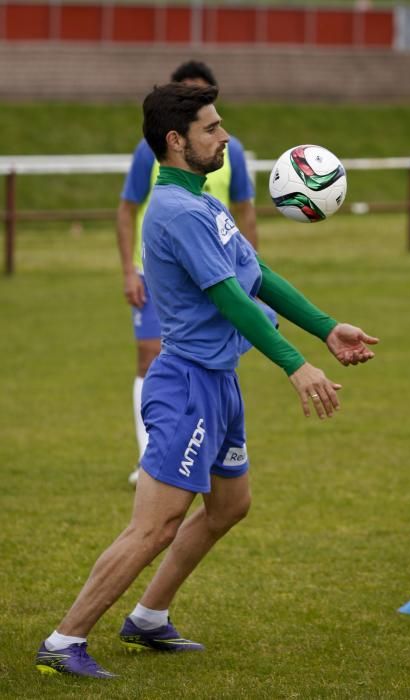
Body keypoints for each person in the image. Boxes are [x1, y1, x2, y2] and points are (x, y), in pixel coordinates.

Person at [35, 82, 379, 679]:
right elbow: (230, 300)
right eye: (213, 128)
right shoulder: (177, 210)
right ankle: (63, 641)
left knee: (229, 505)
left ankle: (147, 618)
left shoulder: (201, 199)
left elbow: (256, 274)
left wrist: (325, 329)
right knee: (156, 524)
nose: (225, 136)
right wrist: (296, 366)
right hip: (188, 385)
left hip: (219, 382)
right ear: (177, 141)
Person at [117, 60, 260, 487]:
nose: (220, 131)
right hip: (159, 272)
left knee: (231, 505)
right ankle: (151, 453)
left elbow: (245, 210)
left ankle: (180, 451)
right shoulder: (153, 158)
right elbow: (126, 209)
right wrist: (128, 270)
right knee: (152, 354)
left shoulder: (226, 155)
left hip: (215, 269)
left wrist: (250, 265)